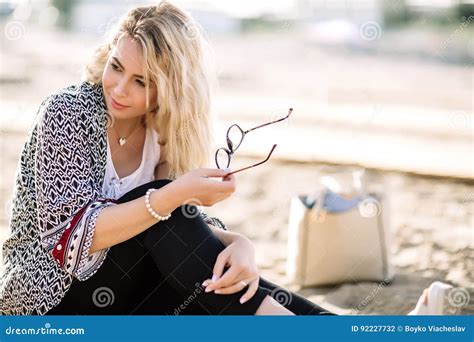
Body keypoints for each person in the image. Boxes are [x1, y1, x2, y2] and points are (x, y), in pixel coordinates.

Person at [0, 2, 449, 316]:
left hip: (128, 293)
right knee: (165, 207)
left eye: (142, 81)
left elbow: (178, 235)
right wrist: (174, 193)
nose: (119, 89)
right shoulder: (70, 113)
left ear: (170, 87)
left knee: (222, 273)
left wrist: (240, 244)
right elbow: (69, 240)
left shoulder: (161, 130)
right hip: (48, 301)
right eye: (117, 67)